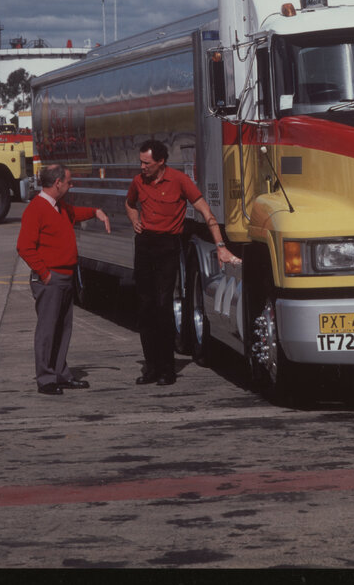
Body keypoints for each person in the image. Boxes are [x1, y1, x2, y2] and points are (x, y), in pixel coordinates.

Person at [125, 139, 240, 386]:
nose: (142, 167)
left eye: (146, 163)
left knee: (163, 305)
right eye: (141, 162)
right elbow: (129, 203)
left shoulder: (179, 181)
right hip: (144, 246)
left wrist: (220, 245)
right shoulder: (138, 182)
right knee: (145, 307)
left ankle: (168, 369)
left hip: (167, 246)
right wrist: (134, 219)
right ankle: (151, 368)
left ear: (160, 162)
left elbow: (206, 213)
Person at [16, 164, 111, 396]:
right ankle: (46, 379)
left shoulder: (59, 207)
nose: (71, 185)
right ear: (57, 183)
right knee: (48, 330)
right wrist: (45, 273)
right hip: (51, 278)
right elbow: (24, 247)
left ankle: (60, 373)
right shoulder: (37, 209)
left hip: (64, 276)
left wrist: (95, 212)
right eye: (69, 182)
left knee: (63, 328)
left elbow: (75, 213)